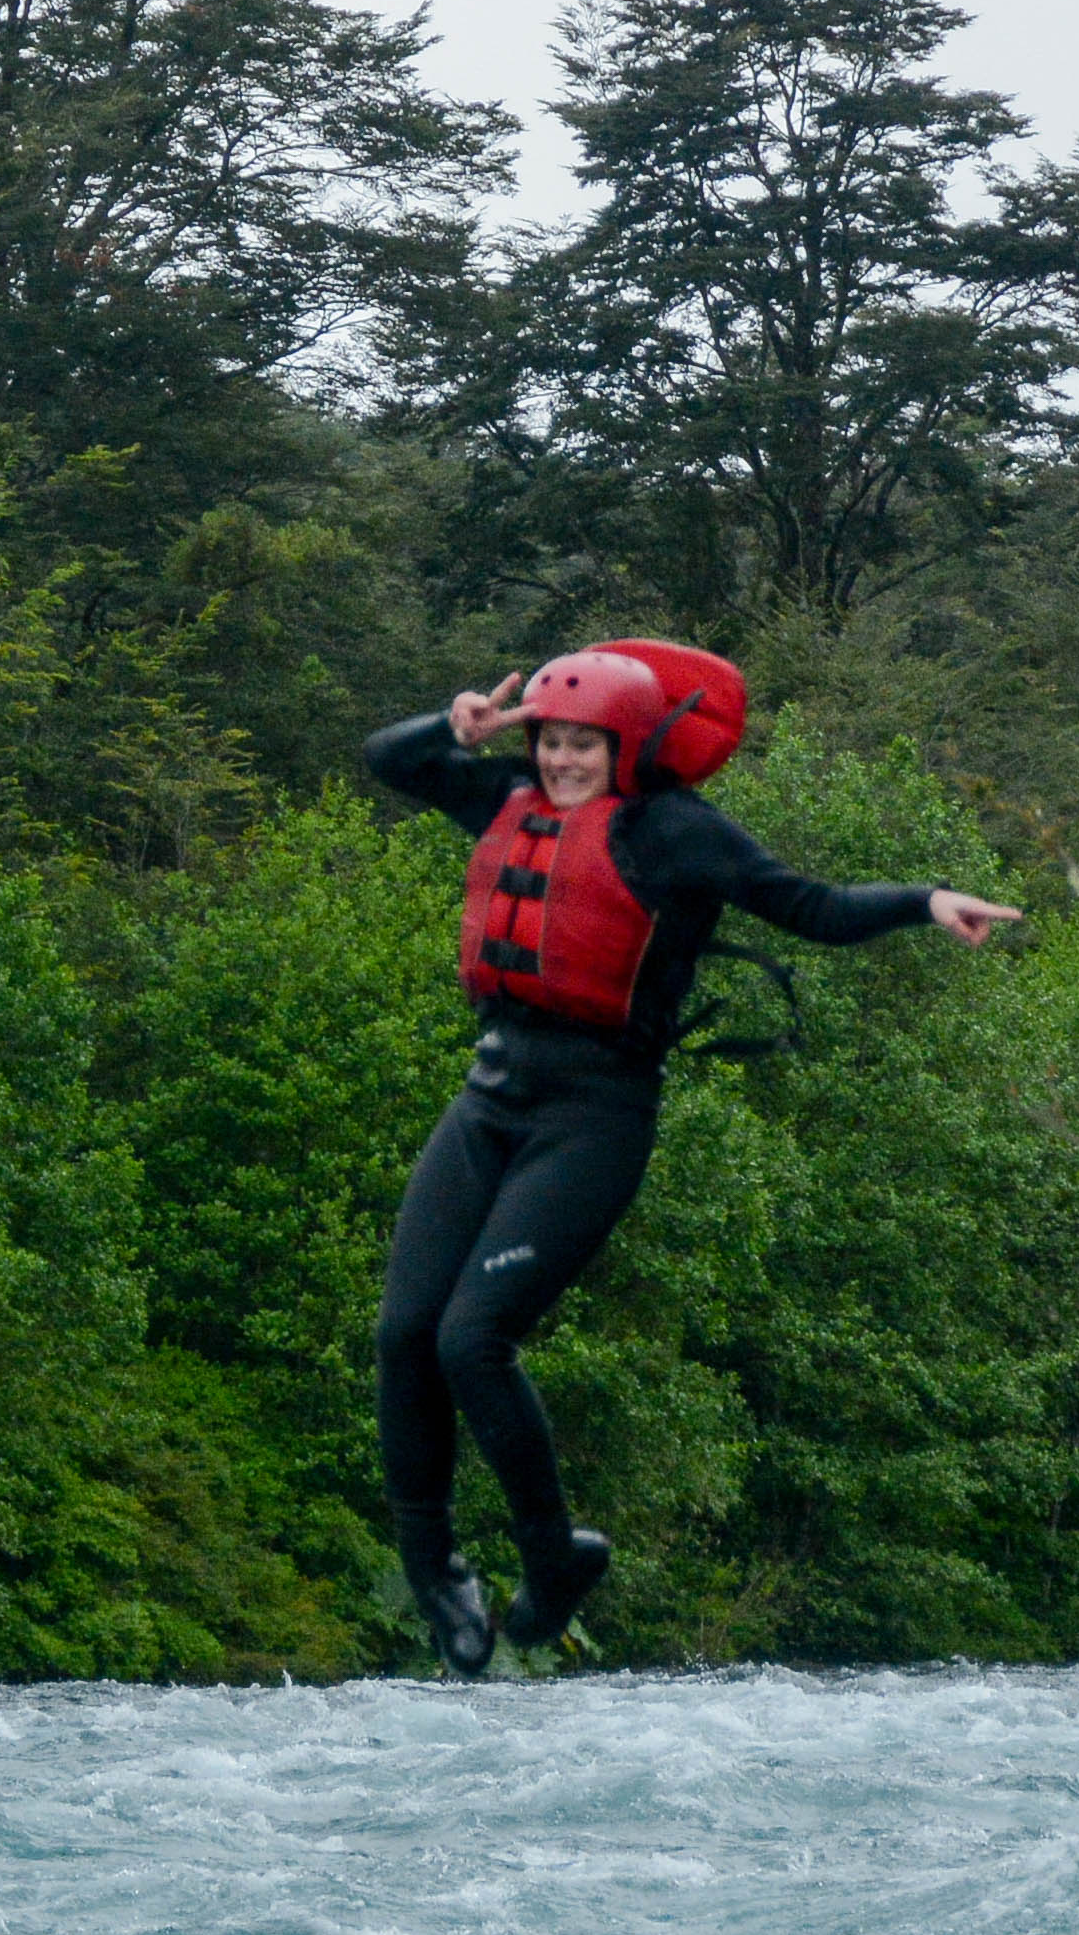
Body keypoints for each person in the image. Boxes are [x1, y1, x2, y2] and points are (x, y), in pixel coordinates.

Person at [362, 647, 1019, 1675]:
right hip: (493, 1097)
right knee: (405, 1333)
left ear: (625, 747)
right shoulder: (508, 794)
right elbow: (388, 761)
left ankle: (552, 1555)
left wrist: (924, 900)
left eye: (584, 743)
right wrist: (463, 727)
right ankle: (437, 1572)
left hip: (594, 1115)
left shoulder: (675, 834)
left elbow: (808, 905)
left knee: (470, 1339)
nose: (564, 760)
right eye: (551, 739)